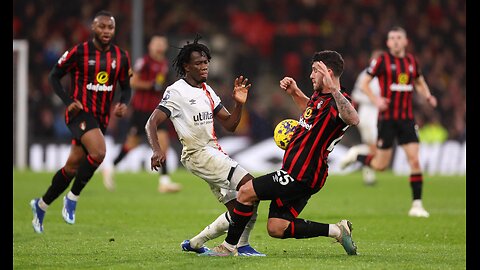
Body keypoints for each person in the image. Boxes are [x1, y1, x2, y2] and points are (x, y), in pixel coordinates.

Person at [201, 50, 359, 256]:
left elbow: (353, 119)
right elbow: (311, 112)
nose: (311, 75)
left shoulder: (339, 100)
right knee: (277, 227)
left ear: (328, 72)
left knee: (246, 191)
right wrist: (295, 92)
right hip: (300, 172)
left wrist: (334, 88)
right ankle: (337, 230)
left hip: (302, 173)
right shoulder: (321, 97)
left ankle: (229, 247)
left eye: (315, 71)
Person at [145, 36, 265, 256]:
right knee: (250, 187)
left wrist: (238, 104)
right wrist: (156, 149)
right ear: (186, 66)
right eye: (198, 63)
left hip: (212, 152)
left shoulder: (207, 90)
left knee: (242, 205)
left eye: (206, 62)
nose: (204, 66)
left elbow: (230, 125)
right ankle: (236, 247)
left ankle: (196, 244)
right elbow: (151, 122)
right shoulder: (176, 91)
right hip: (197, 154)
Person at [29, 10, 132, 234]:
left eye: (110, 27)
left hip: (101, 117)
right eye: (102, 27)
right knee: (99, 153)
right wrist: (68, 101)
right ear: (93, 28)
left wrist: (123, 103)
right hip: (80, 114)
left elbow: (126, 86)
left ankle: (41, 205)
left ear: (114, 30)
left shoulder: (121, 57)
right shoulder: (79, 51)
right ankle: (72, 198)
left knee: (72, 166)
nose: (106, 31)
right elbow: (54, 76)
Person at [340, 26, 437, 218]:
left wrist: (427, 95)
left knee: (414, 160)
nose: (395, 41)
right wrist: (376, 100)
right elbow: (363, 83)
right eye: (392, 38)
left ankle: (417, 205)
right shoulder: (382, 61)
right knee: (380, 165)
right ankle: (356, 156)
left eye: (399, 37)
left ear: (405, 41)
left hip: (407, 119)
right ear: (387, 43)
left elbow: (419, 80)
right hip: (387, 120)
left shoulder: (411, 61)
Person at [102, 35, 182, 193]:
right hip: (141, 111)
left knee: (163, 143)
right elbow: (132, 81)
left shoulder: (164, 64)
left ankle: (164, 182)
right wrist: (150, 85)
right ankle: (110, 167)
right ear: (151, 46)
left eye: (161, 44)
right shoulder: (144, 62)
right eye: (156, 43)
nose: (159, 46)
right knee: (131, 144)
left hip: (158, 111)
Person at [348, 49, 383, 185]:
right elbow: (356, 95)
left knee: (372, 146)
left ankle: (368, 177)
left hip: (377, 115)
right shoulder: (366, 75)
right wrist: (374, 99)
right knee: (374, 146)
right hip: (368, 114)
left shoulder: (384, 76)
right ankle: (355, 153)